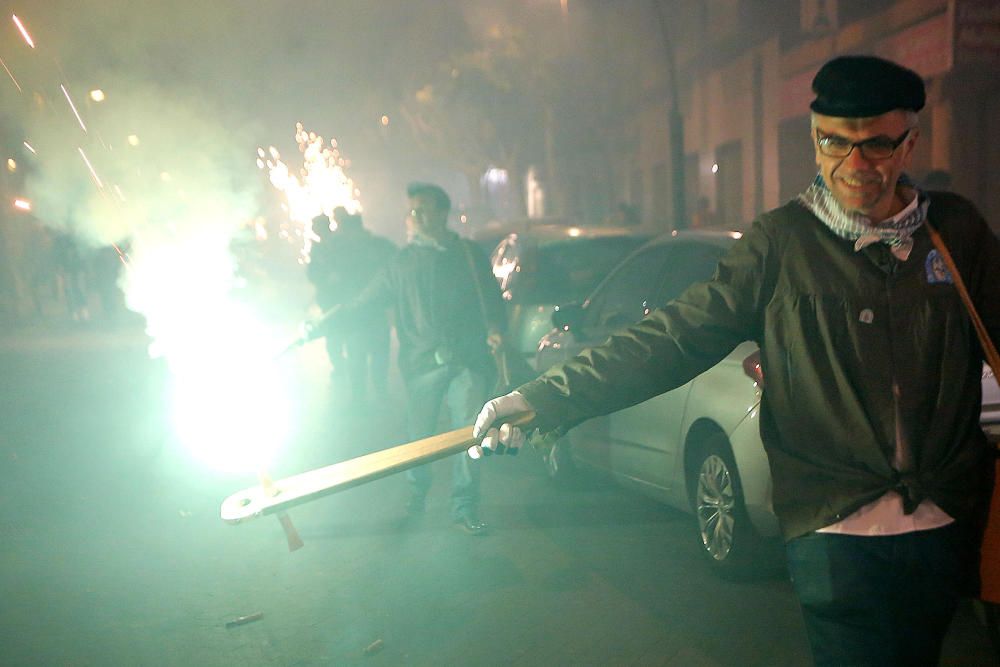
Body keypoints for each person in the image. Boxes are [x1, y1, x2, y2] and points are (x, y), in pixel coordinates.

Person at [472, 55, 1000, 666]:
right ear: (814, 140)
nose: (854, 165)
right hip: (833, 531)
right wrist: (545, 397)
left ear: (908, 145)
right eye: (836, 143)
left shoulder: (953, 232)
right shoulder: (783, 242)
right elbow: (674, 335)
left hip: (943, 522)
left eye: (877, 145)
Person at [314, 183, 505, 535]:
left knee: (469, 437)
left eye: (423, 210)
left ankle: (464, 507)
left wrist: (495, 329)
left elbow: (492, 299)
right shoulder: (400, 263)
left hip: (467, 362)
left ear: (442, 214)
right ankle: (416, 499)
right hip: (420, 368)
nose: (416, 217)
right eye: (412, 211)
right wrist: (323, 324)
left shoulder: (467, 254)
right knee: (419, 440)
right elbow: (363, 302)